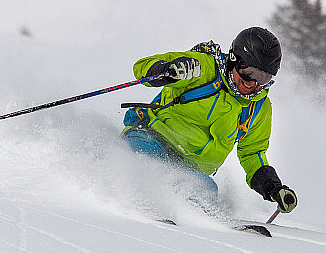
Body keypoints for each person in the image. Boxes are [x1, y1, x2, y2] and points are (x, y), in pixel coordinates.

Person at [121, 27, 297, 215]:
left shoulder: (258, 107)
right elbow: (142, 67)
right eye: (249, 72)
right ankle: (130, 199)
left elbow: (252, 153)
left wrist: (273, 188)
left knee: (205, 190)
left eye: (263, 78)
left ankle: (188, 221)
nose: (253, 83)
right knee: (147, 160)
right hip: (152, 138)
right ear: (234, 60)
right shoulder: (204, 68)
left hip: (190, 168)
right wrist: (168, 70)